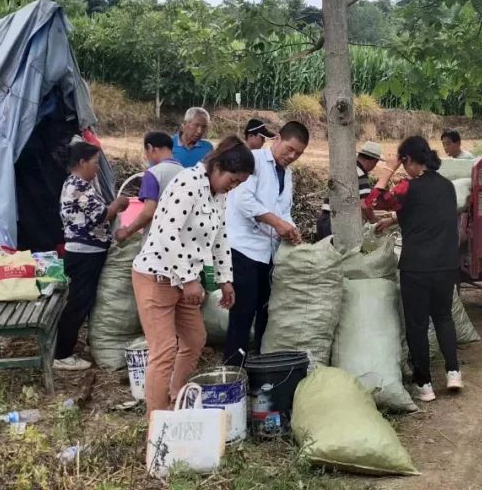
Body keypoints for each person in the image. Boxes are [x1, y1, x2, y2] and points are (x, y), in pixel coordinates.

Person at [131, 136, 253, 411]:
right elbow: (166, 234)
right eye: (233, 180)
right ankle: (158, 420)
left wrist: (225, 280)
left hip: (185, 283)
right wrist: (188, 279)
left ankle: (176, 397)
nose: (233, 188)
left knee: (195, 340)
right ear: (217, 167)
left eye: (239, 184)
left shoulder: (218, 195)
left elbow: (220, 237)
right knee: (163, 352)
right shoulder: (187, 183)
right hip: (157, 277)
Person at [366, 136, 463, 402]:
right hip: (446, 265)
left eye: (402, 161)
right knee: (443, 317)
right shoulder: (447, 187)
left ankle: (425, 385)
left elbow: (373, 201)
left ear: (407, 160)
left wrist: (389, 169)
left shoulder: (407, 188)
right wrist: (395, 220)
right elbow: (427, 213)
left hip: (417, 268)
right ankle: (453, 372)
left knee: (417, 325)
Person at [224, 121, 310, 366]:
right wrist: (276, 223)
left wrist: (291, 229)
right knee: (243, 312)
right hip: (244, 249)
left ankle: (263, 366)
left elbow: (284, 209)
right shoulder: (253, 161)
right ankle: (232, 369)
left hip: (268, 254)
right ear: (278, 138)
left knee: (266, 311)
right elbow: (243, 200)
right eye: (290, 149)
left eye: (299, 154)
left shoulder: (287, 173)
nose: (292, 156)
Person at [57, 141, 129, 371]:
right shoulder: (78, 185)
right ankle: (62, 354)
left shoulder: (80, 184)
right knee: (78, 301)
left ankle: (72, 345)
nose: (97, 168)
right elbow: (100, 216)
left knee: (84, 299)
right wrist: (117, 204)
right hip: (84, 254)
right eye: (95, 163)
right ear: (82, 162)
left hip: (88, 252)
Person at [114, 132, 183, 242]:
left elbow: (148, 212)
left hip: (157, 241)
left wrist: (126, 232)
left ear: (150, 148)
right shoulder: (186, 173)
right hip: (181, 239)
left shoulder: (153, 173)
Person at [315, 141, 383, 240]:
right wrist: (373, 219)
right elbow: (364, 204)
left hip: (324, 219)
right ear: (373, 161)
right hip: (337, 223)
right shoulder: (361, 174)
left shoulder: (344, 169)